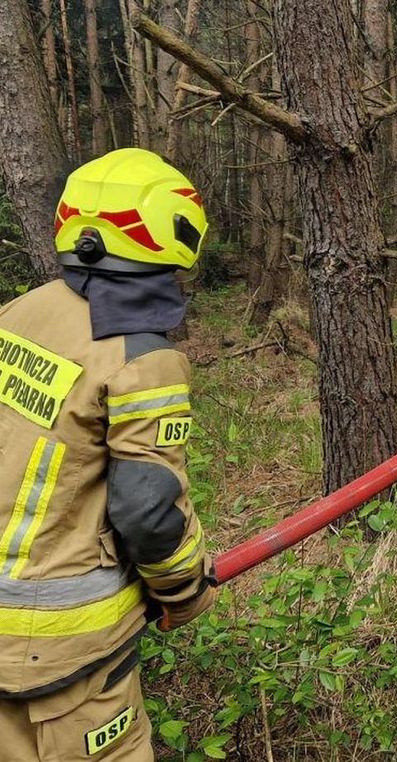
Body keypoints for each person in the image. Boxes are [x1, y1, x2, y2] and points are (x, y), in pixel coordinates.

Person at [0, 148, 216, 760]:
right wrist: (186, 593)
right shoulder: (142, 358)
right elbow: (148, 510)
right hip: (63, 646)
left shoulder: (20, 312)